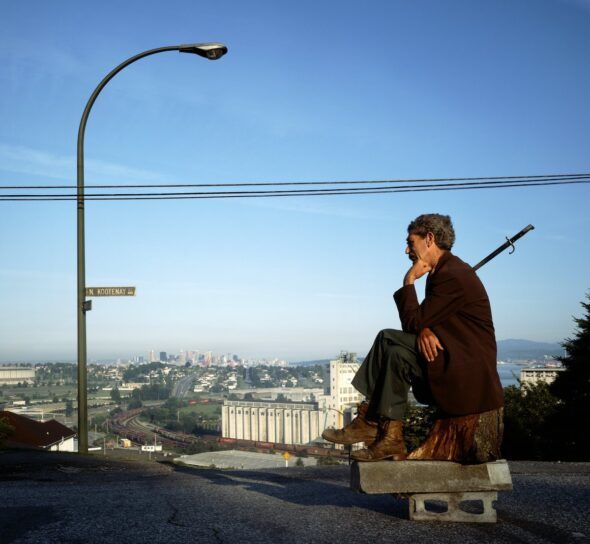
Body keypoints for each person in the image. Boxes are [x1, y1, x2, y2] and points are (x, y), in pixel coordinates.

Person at [322, 214, 504, 461]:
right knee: (397, 354)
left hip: (466, 375)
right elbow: (424, 320)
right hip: (452, 362)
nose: (406, 249)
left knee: (387, 338)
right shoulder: (442, 272)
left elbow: (413, 322)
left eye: (411, 242)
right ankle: (390, 439)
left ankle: (369, 420)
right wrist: (425, 328)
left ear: (429, 239)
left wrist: (408, 281)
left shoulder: (453, 274)